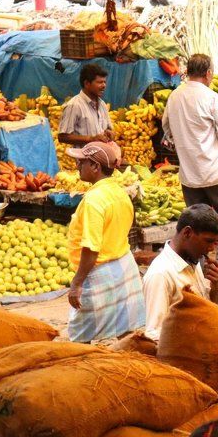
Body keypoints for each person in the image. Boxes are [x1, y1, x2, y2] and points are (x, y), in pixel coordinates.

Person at [163, 54, 218, 277]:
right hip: (215, 169)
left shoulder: (174, 97)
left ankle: (197, 264)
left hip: (189, 174)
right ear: (208, 73)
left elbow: (167, 130)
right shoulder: (211, 97)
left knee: (196, 220)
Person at [65, 142, 145, 343]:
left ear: (95, 167)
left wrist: (77, 283)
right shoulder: (120, 192)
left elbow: (91, 248)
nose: (77, 166)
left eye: (81, 162)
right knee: (126, 332)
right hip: (124, 266)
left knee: (80, 338)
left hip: (99, 273)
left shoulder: (94, 199)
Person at [142, 204, 218, 342]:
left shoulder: (193, 260)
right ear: (187, 233)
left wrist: (216, 289)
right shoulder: (161, 275)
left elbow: (207, 314)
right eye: (209, 241)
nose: (211, 248)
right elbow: (154, 335)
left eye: (216, 242)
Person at [58, 63, 113, 146]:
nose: (104, 85)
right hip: (84, 157)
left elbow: (108, 128)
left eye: (104, 82)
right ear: (87, 83)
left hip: (102, 154)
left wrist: (109, 132)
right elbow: (62, 137)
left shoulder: (102, 104)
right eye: (99, 82)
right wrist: (91, 139)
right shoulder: (74, 105)